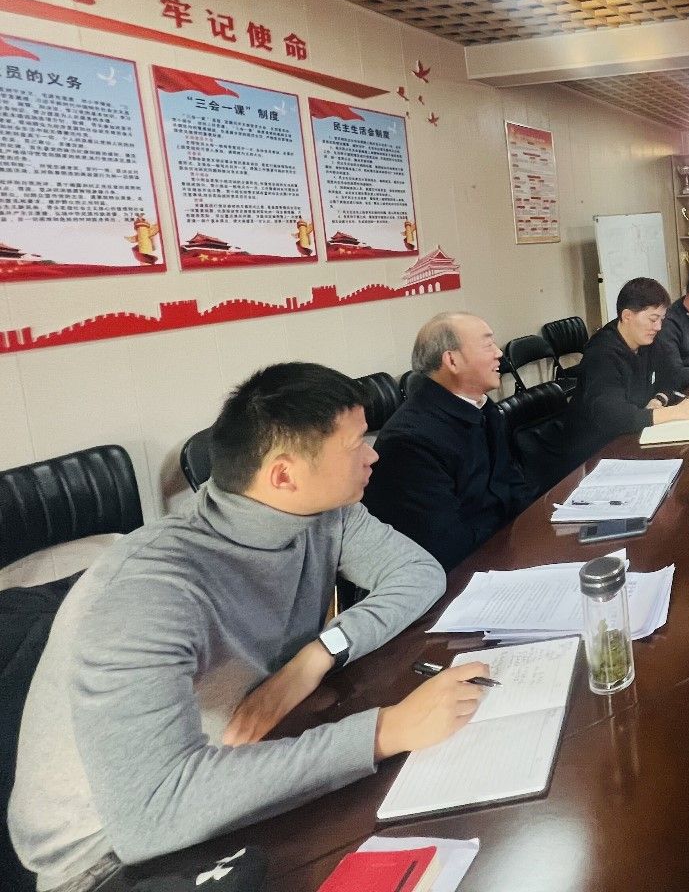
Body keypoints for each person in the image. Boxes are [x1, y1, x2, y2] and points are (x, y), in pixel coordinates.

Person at [9, 363, 483, 892]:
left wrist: (317, 656)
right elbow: (153, 814)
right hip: (111, 861)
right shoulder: (151, 590)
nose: (373, 454)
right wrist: (384, 731)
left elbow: (418, 573)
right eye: (355, 445)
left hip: (237, 768)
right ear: (284, 475)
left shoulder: (324, 513)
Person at [363, 312, 539, 570]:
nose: (499, 354)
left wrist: (537, 525)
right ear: (452, 360)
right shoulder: (409, 442)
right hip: (462, 570)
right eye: (488, 345)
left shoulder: (483, 408)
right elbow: (445, 544)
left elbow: (511, 482)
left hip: (503, 546)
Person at [562, 277, 689, 469]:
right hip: (595, 453)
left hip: (635, 436)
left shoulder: (648, 340)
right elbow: (613, 417)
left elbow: (672, 376)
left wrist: (659, 399)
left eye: (661, 320)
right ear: (627, 316)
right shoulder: (601, 354)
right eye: (653, 319)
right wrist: (674, 412)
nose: (658, 327)